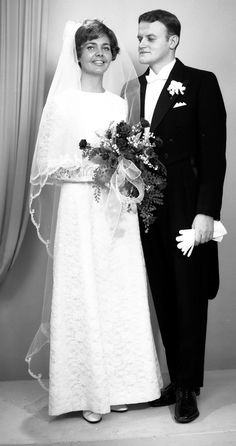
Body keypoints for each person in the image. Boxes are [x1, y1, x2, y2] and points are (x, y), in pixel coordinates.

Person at [26, 19, 162, 424]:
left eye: (107, 47)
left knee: (119, 289)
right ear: (79, 54)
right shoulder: (62, 104)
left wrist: (122, 166)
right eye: (92, 47)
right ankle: (87, 389)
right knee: (82, 288)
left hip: (115, 210)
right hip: (77, 208)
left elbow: (129, 161)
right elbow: (45, 168)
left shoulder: (119, 105)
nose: (100, 54)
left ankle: (122, 386)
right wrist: (94, 167)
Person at [137, 9, 226, 423]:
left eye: (150, 37)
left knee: (189, 296)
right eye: (139, 37)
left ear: (172, 41)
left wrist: (207, 211)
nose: (142, 44)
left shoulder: (201, 83)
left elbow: (214, 154)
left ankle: (189, 387)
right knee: (164, 293)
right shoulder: (134, 88)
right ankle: (176, 378)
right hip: (148, 207)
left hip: (188, 205)